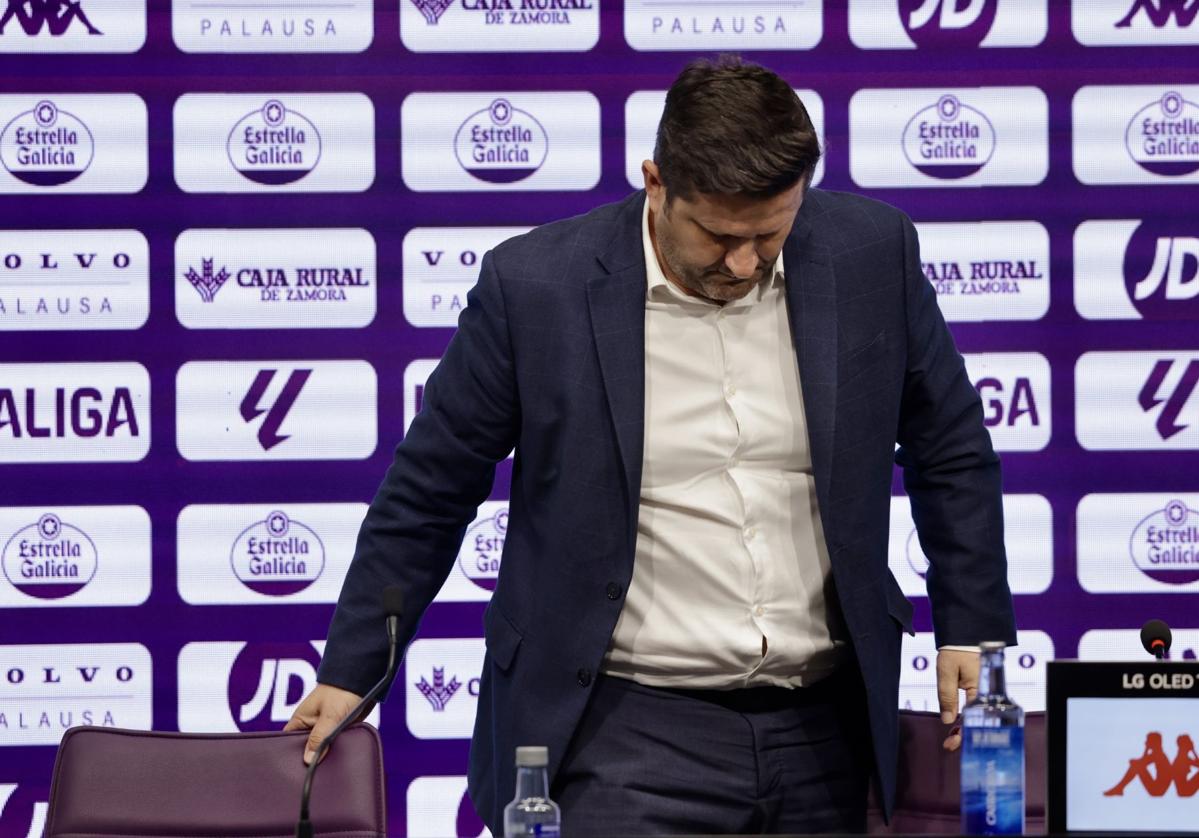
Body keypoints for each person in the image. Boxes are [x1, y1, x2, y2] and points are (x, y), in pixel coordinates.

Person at [286, 56, 1017, 834]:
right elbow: (431, 488)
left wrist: (970, 623)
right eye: (718, 236)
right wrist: (353, 667)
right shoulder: (536, 288)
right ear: (656, 182)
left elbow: (949, 449)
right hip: (623, 733)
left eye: (770, 234)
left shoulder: (872, 253)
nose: (743, 264)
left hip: (828, 725)